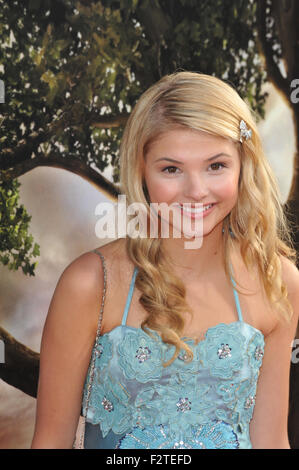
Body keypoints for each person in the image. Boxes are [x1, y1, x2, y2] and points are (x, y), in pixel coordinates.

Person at [31, 71, 299, 449]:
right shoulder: (91, 284)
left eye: (216, 165)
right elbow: (50, 442)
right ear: (142, 170)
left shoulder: (279, 281)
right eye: (171, 169)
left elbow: (272, 440)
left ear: (244, 164)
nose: (196, 191)